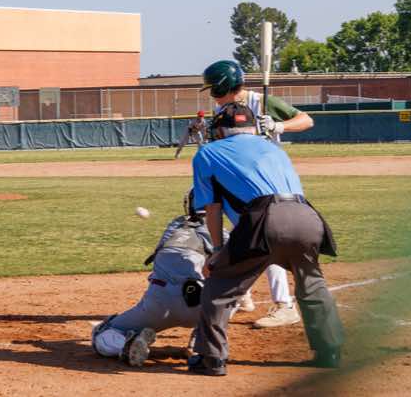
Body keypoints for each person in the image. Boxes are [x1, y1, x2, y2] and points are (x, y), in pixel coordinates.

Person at [187, 102, 343, 376]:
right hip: (307, 215)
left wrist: (218, 250)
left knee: (219, 284)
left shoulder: (207, 153)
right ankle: (329, 351)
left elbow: (212, 208)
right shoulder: (275, 149)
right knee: (312, 284)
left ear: (221, 130)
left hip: (265, 218)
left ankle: (211, 358)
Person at [200, 59, 313, 328]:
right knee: (241, 235)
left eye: (214, 89)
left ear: (224, 86)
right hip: (236, 182)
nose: (213, 96)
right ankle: (244, 296)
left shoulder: (261, 101)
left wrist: (278, 126)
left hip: (265, 182)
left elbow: (307, 120)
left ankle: (284, 305)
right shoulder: (221, 109)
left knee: (265, 241)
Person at [91, 189, 228, 367]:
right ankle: (202, 339)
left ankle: (126, 345)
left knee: (101, 333)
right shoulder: (222, 233)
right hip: (201, 308)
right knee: (233, 288)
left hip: (158, 304)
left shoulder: (174, 225)